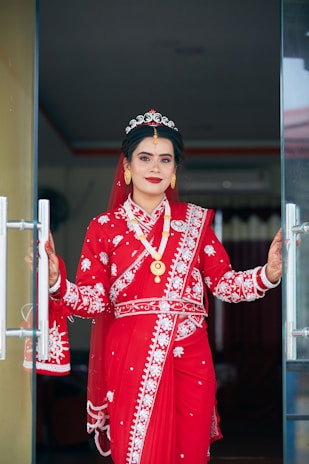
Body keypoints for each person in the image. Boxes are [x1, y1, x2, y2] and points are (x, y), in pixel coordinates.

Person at [27, 109, 282, 464]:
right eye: (145, 157)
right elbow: (93, 301)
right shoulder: (104, 228)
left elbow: (223, 284)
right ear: (127, 166)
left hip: (191, 360)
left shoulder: (195, 222)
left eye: (166, 159)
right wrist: (56, 281)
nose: (155, 167)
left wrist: (268, 273)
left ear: (175, 170)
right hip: (130, 356)